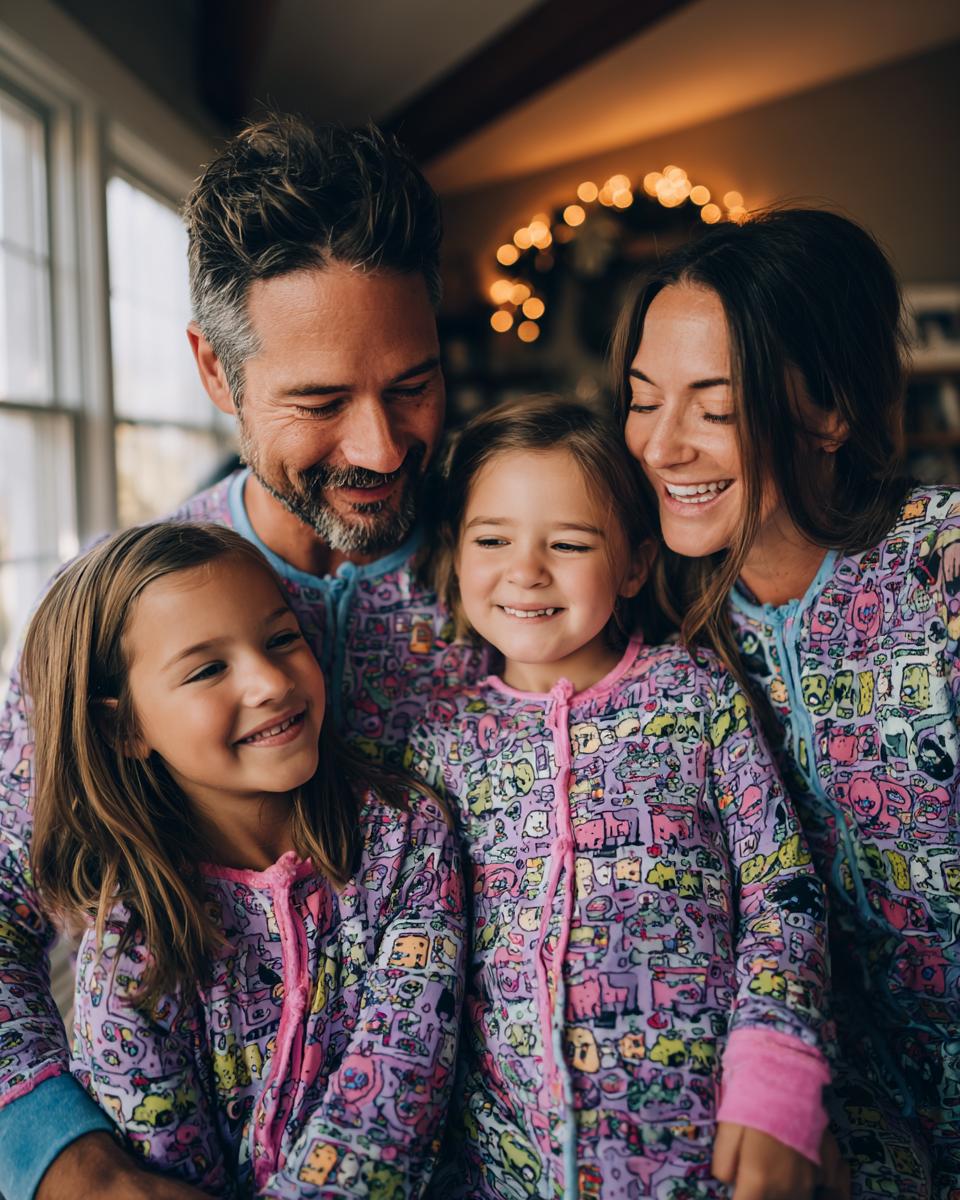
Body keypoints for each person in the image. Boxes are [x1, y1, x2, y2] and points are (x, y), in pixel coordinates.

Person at [0, 115, 482, 1200]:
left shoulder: (532, 570)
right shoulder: (121, 621)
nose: (379, 445)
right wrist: (61, 1157)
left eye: (412, 385)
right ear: (217, 372)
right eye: (319, 401)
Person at [612, 207, 959, 1196]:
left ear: (831, 412)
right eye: (643, 400)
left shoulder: (941, 569)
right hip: (842, 1131)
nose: (661, 445)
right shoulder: (651, 627)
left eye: (712, 408)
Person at [406, 396, 834, 1199]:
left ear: (635, 564)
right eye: (492, 539)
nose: (526, 569)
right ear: (457, 556)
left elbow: (785, 892)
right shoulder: (442, 743)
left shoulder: (695, 693)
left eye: (568, 543)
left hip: (707, 1151)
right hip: (509, 1168)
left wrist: (777, 1075)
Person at [19, 521, 464, 1197]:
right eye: (207, 669)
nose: (268, 681)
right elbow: (163, 1163)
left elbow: (400, 1087)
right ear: (124, 728)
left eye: (282, 638)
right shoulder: (129, 940)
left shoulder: (405, 839)